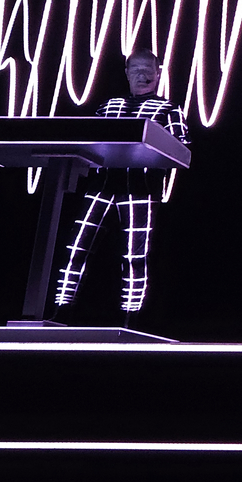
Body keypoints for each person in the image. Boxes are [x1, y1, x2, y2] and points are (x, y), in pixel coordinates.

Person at [54, 50, 190, 323]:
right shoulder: (109, 106)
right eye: (136, 69)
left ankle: (132, 314)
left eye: (148, 69)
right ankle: (61, 308)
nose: (142, 74)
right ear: (127, 73)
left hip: (141, 188)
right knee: (77, 247)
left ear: (158, 73)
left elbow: (181, 148)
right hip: (102, 184)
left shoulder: (169, 109)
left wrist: (151, 150)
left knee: (135, 255)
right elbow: (87, 138)